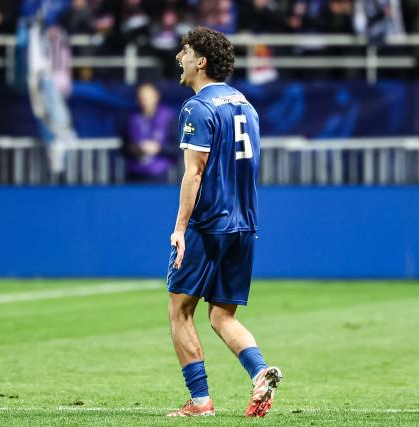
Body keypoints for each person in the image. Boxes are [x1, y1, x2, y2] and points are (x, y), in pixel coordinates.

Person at [166, 27, 282, 418]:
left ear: (200, 61)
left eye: (184, 51)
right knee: (222, 314)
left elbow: (194, 173)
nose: (178, 57)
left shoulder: (198, 107)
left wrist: (181, 227)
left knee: (180, 309)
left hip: (209, 224)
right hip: (244, 224)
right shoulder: (246, 105)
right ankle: (259, 371)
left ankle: (200, 402)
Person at [123, 82, 177, 183]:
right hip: (134, 172)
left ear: (156, 97)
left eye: (148, 98)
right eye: (141, 98)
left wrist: (158, 148)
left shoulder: (168, 117)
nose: (144, 102)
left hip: (159, 173)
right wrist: (133, 149)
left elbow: (178, 147)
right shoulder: (131, 117)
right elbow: (124, 146)